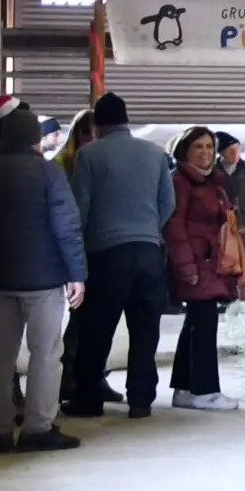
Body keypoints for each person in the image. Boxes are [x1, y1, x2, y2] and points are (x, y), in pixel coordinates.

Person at [0, 93, 85, 453]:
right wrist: (76, 273)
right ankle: (37, 427)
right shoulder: (47, 171)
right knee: (45, 352)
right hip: (43, 280)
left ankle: (0, 430)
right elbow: (66, 226)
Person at [64, 91, 174, 419]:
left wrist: (79, 249)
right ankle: (140, 400)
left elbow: (79, 207)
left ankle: (89, 398)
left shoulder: (90, 156)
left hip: (106, 255)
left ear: (97, 123)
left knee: (97, 330)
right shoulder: (155, 155)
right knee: (145, 329)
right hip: (149, 253)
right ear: (127, 120)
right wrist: (147, 228)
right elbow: (168, 203)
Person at [161, 128, 245, 412]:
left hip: (211, 264)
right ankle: (205, 390)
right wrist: (186, 266)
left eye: (210, 146)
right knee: (205, 324)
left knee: (196, 324)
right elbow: (174, 228)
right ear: (185, 150)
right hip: (197, 265)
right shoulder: (180, 183)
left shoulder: (212, 182)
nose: (206, 152)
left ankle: (185, 388)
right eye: (198, 147)